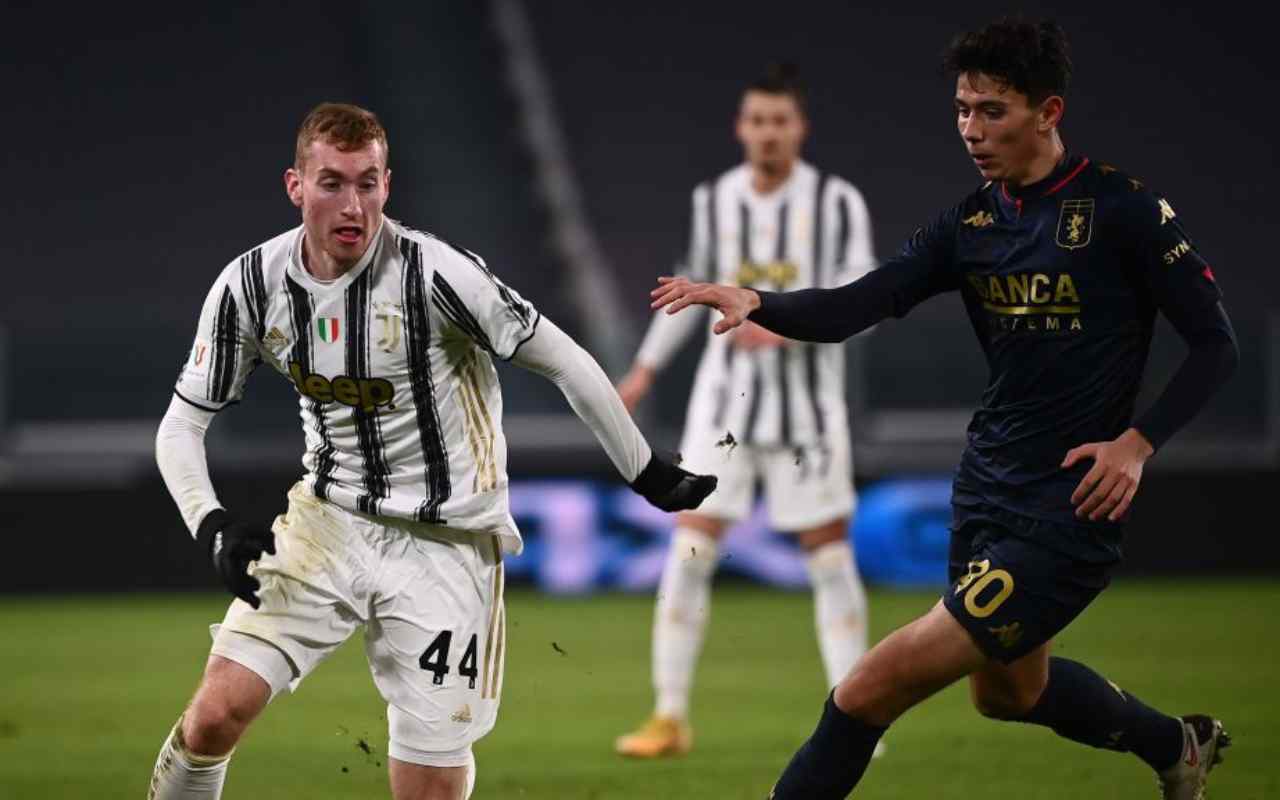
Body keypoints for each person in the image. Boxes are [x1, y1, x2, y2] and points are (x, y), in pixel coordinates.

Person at [651, 19, 1238, 800]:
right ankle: (1178, 744)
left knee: (867, 688)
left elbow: (1215, 346)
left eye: (992, 111)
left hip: (1066, 507)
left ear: (1048, 111)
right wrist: (757, 299)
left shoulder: (1123, 210)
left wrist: (1137, 443)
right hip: (987, 489)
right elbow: (860, 303)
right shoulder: (970, 225)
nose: (971, 129)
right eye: (962, 109)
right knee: (1008, 695)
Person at [147, 102, 715, 800]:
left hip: (447, 542)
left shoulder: (437, 274)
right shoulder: (251, 286)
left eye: (368, 182)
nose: (352, 204)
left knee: (429, 790)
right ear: (296, 186)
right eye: (331, 182)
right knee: (214, 715)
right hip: (328, 521)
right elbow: (180, 426)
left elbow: (563, 359)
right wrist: (211, 523)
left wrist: (646, 469)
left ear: (388, 184)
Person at [614, 63, 879, 759]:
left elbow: (867, 299)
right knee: (691, 548)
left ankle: (859, 718)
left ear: (800, 128)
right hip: (723, 411)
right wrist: (642, 372)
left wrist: (787, 318)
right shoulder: (714, 202)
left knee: (828, 557)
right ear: (741, 127)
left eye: (779, 121)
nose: (767, 133)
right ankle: (669, 717)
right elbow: (686, 293)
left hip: (807, 415)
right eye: (756, 120)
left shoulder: (837, 203)